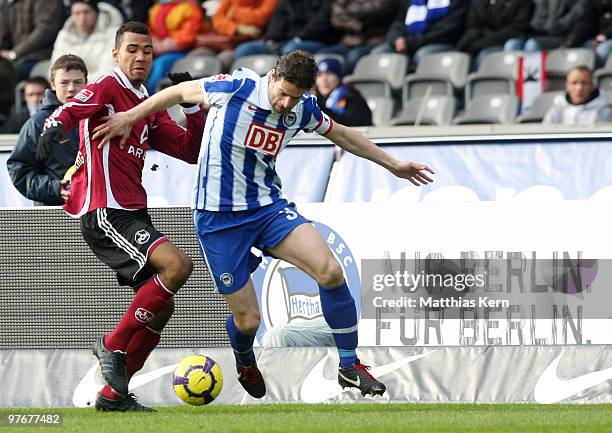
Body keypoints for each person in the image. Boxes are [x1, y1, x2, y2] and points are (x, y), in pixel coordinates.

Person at [92, 50, 435, 399]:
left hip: (267, 209)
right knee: (248, 321)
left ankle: (349, 365)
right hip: (219, 220)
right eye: (283, 93)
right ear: (272, 76)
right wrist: (129, 117)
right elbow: (178, 94)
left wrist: (393, 164)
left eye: (295, 97)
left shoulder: (302, 108)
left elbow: (342, 134)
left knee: (330, 271)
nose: (286, 104)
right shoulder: (236, 87)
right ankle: (244, 358)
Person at [39, 21, 206, 412]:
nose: (140, 57)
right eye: (132, 49)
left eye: (147, 50)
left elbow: (189, 150)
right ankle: (110, 344)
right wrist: (52, 127)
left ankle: (114, 396)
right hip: (105, 209)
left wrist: (191, 106)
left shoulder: (146, 102)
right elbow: (72, 108)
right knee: (178, 266)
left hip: (132, 211)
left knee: (162, 309)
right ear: (116, 54)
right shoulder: (108, 85)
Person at [6, 56, 84, 205]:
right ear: (52, 84)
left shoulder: (99, 118)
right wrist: (55, 189)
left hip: (97, 209)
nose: (71, 88)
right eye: (64, 82)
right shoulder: (37, 123)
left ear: (86, 83)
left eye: (78, 82)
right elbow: (19, 170)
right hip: (54, 211)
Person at [371, 0, 470, 66]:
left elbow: (448, 30)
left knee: (423, 55)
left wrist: (410, 43)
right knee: (379, 52)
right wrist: (397, 38)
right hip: (408, 43)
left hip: (442, 43)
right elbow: (400, 22)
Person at [316, 0, 399, 74]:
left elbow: (378, 8)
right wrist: (354, 23)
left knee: (353, 56)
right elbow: (337, 17)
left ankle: (344, 87)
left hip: (374, 41)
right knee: (322, 55)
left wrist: (350, 6)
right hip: (350, 41)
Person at [233, 0, 334, 60]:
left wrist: (299, 37)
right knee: (243, 50)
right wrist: (272, 39)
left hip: (311, 40)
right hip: (282, 41)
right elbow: (277, 19)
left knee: (290, 51)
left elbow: (320, 23)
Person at [51, 0, 124, 81]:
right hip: (69, 87)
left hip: (100, 88)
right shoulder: (64, 35)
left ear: (96, 13)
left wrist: (78, 82)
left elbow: (108, 71)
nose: (82, 18)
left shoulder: (113, 34)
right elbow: (55, 69)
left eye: (86, 12)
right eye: (77, 13)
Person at [145, 0, 203, 93]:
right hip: (158, 50)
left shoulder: (190, 8)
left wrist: (168, 44)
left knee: (160, 64)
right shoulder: (157, 7)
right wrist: (153, 41)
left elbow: (189, 35)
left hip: (183, 50)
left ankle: (149, 97)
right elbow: (150, 29)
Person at [0, 0, 64, 81]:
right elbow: (5, 37)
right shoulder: (6, 4)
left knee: (6, 75)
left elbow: (45, 30)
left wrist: (14, 53)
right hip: (16, 58)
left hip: (39, 55)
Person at [456, 0, 533, 67]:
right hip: (480, 41)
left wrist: (482, 43)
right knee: (460, 55)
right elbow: (473, 26)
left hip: (504, 41)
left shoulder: (521, 2)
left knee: (485, 55)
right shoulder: (479, 2)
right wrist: (463, 45)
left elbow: (517, 28)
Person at [504, 0, 592, 52]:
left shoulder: (581, 2)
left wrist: (546, 30)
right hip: (543, 35)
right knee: (512, 44)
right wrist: (531, 29)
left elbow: (568, 23)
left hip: (562, 37)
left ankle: (532, 82)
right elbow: (537, 21)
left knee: (532, 45)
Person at [543, 65, 612, 125]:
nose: (579, 88)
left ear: (592, 86)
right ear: (567, 86)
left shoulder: (604, 111)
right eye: (574, 83)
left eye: (584, 83)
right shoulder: (557, 110)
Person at [315, 57, 372, 126]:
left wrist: (321, 111)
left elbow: (351, 124)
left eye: (329, 74)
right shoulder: (317, 99)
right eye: (319, 75)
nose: (324, 79)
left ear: (339, 77)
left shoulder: (352, 97)